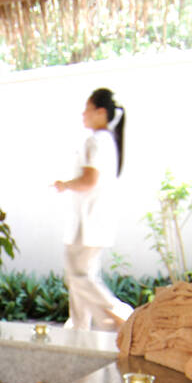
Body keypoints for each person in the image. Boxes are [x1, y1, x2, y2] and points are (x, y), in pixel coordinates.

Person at [53, 88, 133, 332]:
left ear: (101, 112)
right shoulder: (107, 141)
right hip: (95, 221)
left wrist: (65, 184)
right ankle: (79, 330)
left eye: (87, 109)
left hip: (88, 222)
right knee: (82, 278)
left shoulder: (96, 142)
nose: (83, 114)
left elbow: (89, 180)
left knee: (78, 278)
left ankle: (121, 315)